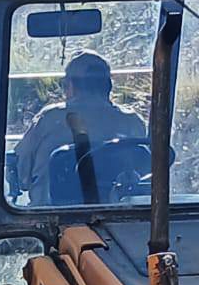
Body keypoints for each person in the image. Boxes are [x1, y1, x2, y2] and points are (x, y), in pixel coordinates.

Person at [10, 51, 148, 204]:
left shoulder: (50, 118)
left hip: (50, 220)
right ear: (108, 86)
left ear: (70, 85)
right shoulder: (132, 123)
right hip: (116, 220)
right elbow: (144, 176)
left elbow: (19, 173)